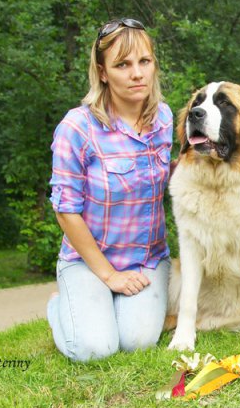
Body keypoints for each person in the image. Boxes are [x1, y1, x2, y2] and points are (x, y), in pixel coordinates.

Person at [46, 18, 173, 362]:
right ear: (102, 72)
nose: (137, 74)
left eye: (144, 62)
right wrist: (109, 275)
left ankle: (105, 308)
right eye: (123, 64)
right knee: (93, 349)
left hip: (147, 259)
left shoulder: (163, 119)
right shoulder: (77, 127)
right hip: (89, 262)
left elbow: (173, 176)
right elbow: (65, 209)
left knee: (137, 341)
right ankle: (62, 306)